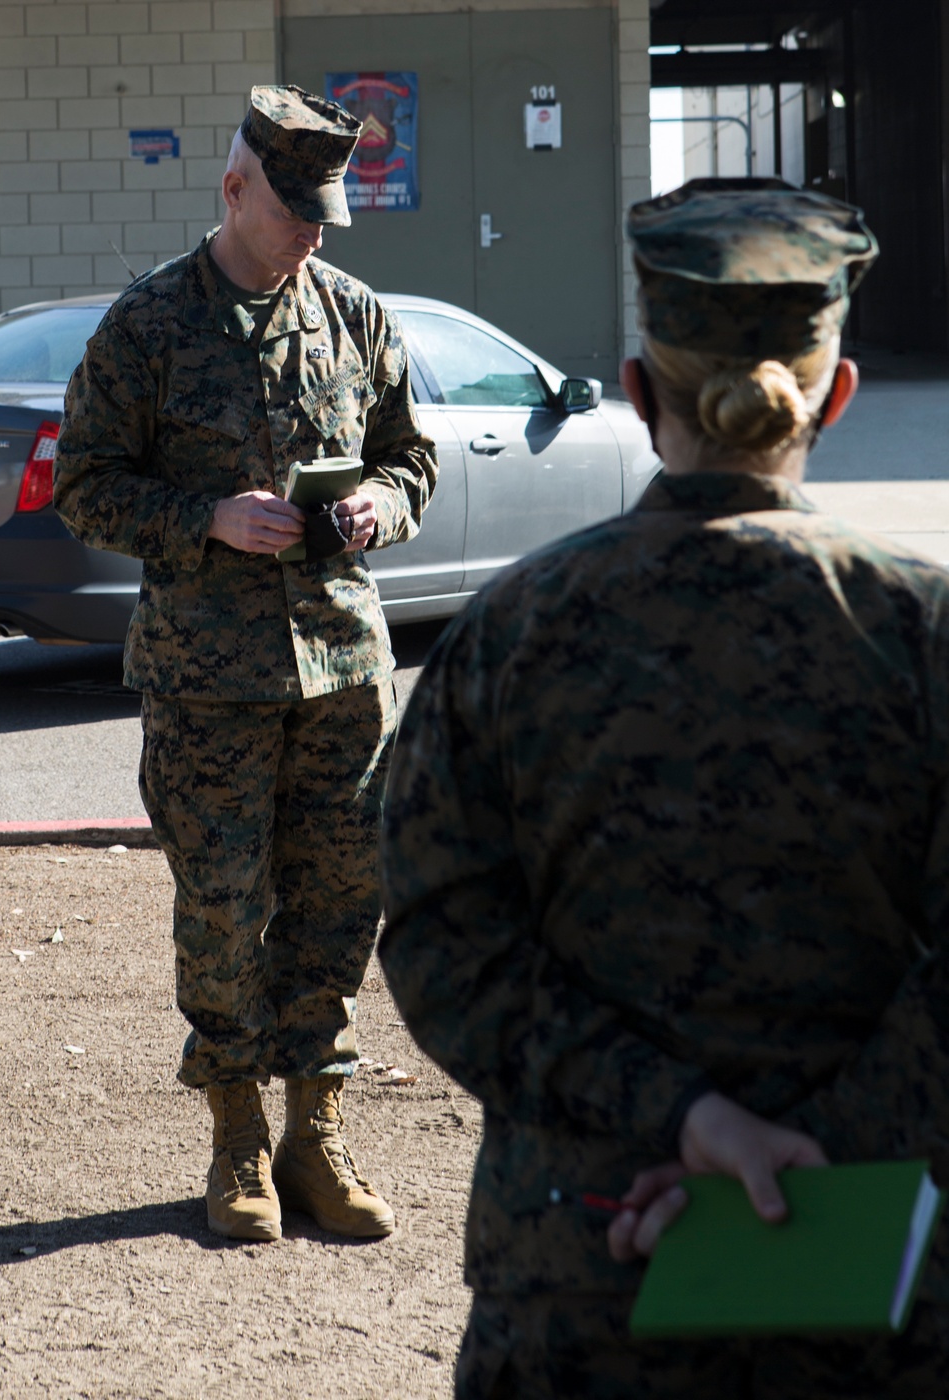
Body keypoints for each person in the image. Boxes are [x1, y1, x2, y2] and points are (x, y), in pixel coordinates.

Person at [378, 177, 949, 1397]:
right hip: (878, 1269)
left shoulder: (508, 632)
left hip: (583, 1261)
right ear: (837, 396)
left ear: (641, 395)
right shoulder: (922, 631)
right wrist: (812, 1153)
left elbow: (441, 939)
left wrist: (687, 1119)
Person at [53, 85, 437, 1245]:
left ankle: (314, 1132)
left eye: (327, 209)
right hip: (208, 682)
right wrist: (206, 518)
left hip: (341, 674)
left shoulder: (357, 314)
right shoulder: (148, 324)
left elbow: (413, 458)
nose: (313, 229)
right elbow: (83, 485)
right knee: (223, 912)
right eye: (292, 207)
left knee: (336, 909)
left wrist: (380, 501)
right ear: (232, 190)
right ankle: (235, 1134)